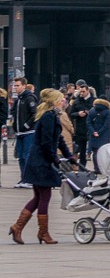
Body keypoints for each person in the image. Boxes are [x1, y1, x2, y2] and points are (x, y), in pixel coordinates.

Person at [8, 88, 72, 244]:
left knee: (38, 197)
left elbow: (59, 140)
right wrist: (55, 159)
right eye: (61, 99)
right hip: (41, 162)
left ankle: (18, 227)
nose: (64, 101)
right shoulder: (49, 117)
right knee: (44, 196)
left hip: (40, 160)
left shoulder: (52, 116)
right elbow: (47, 142)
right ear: (55, 101)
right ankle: (42, 233)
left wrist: (69, 155)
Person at [10, 77, 38, 188]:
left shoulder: (29, 98)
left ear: (24, 86)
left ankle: (30, 179)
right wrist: (14, 125)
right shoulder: (18, 100)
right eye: (14, 85)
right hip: (19, 133)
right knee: (21, 156)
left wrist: (26, 125)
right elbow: (13, 113)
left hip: (28, 132)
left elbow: (34, 114)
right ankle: (24, 178)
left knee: (27, 156)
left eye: (17, 85)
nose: (15, 88)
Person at [68, 80, 93, 168]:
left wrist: (89, 112)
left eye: (83, 91)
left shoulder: (94, 100)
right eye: (80, 92)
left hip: (92, 128)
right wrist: (78, 114)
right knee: (81, 151)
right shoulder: (77, 102)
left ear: (88, 91)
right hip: (81, 128)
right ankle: (82, 167)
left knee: (95, 149)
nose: (82, 94)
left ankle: (97, 166)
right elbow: (71, 114)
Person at [86, 96, 110, 160]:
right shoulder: (107, 111)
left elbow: (88, 122)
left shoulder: (92, 111)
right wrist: (99, 132)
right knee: (102, 153)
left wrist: (93, 131)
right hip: (104, 135)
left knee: (95, 152)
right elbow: (107, 124)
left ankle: (96, 168)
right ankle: (100, 168)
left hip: (93, 135)